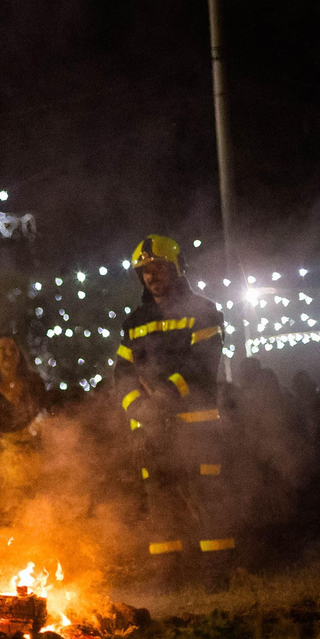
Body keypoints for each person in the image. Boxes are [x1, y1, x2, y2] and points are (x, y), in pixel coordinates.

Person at [111, 234, 233, 583]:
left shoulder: (204, 312)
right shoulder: (133, 324)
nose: (151, 276)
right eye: (145, 271)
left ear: (176, 268)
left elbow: (201, 366)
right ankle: (168, 579)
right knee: (161, 505)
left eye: (158, 268)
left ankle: (216, 577)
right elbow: (122, 375)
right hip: (150, 428)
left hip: (198, 425)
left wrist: (160, 398)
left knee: (207, 499)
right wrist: (140, 410)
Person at [0, 335, 47, 433]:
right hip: (1, 447)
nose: (9, 353)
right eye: (2, 349)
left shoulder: (34, 383)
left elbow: (44, 412)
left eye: (13, 349)